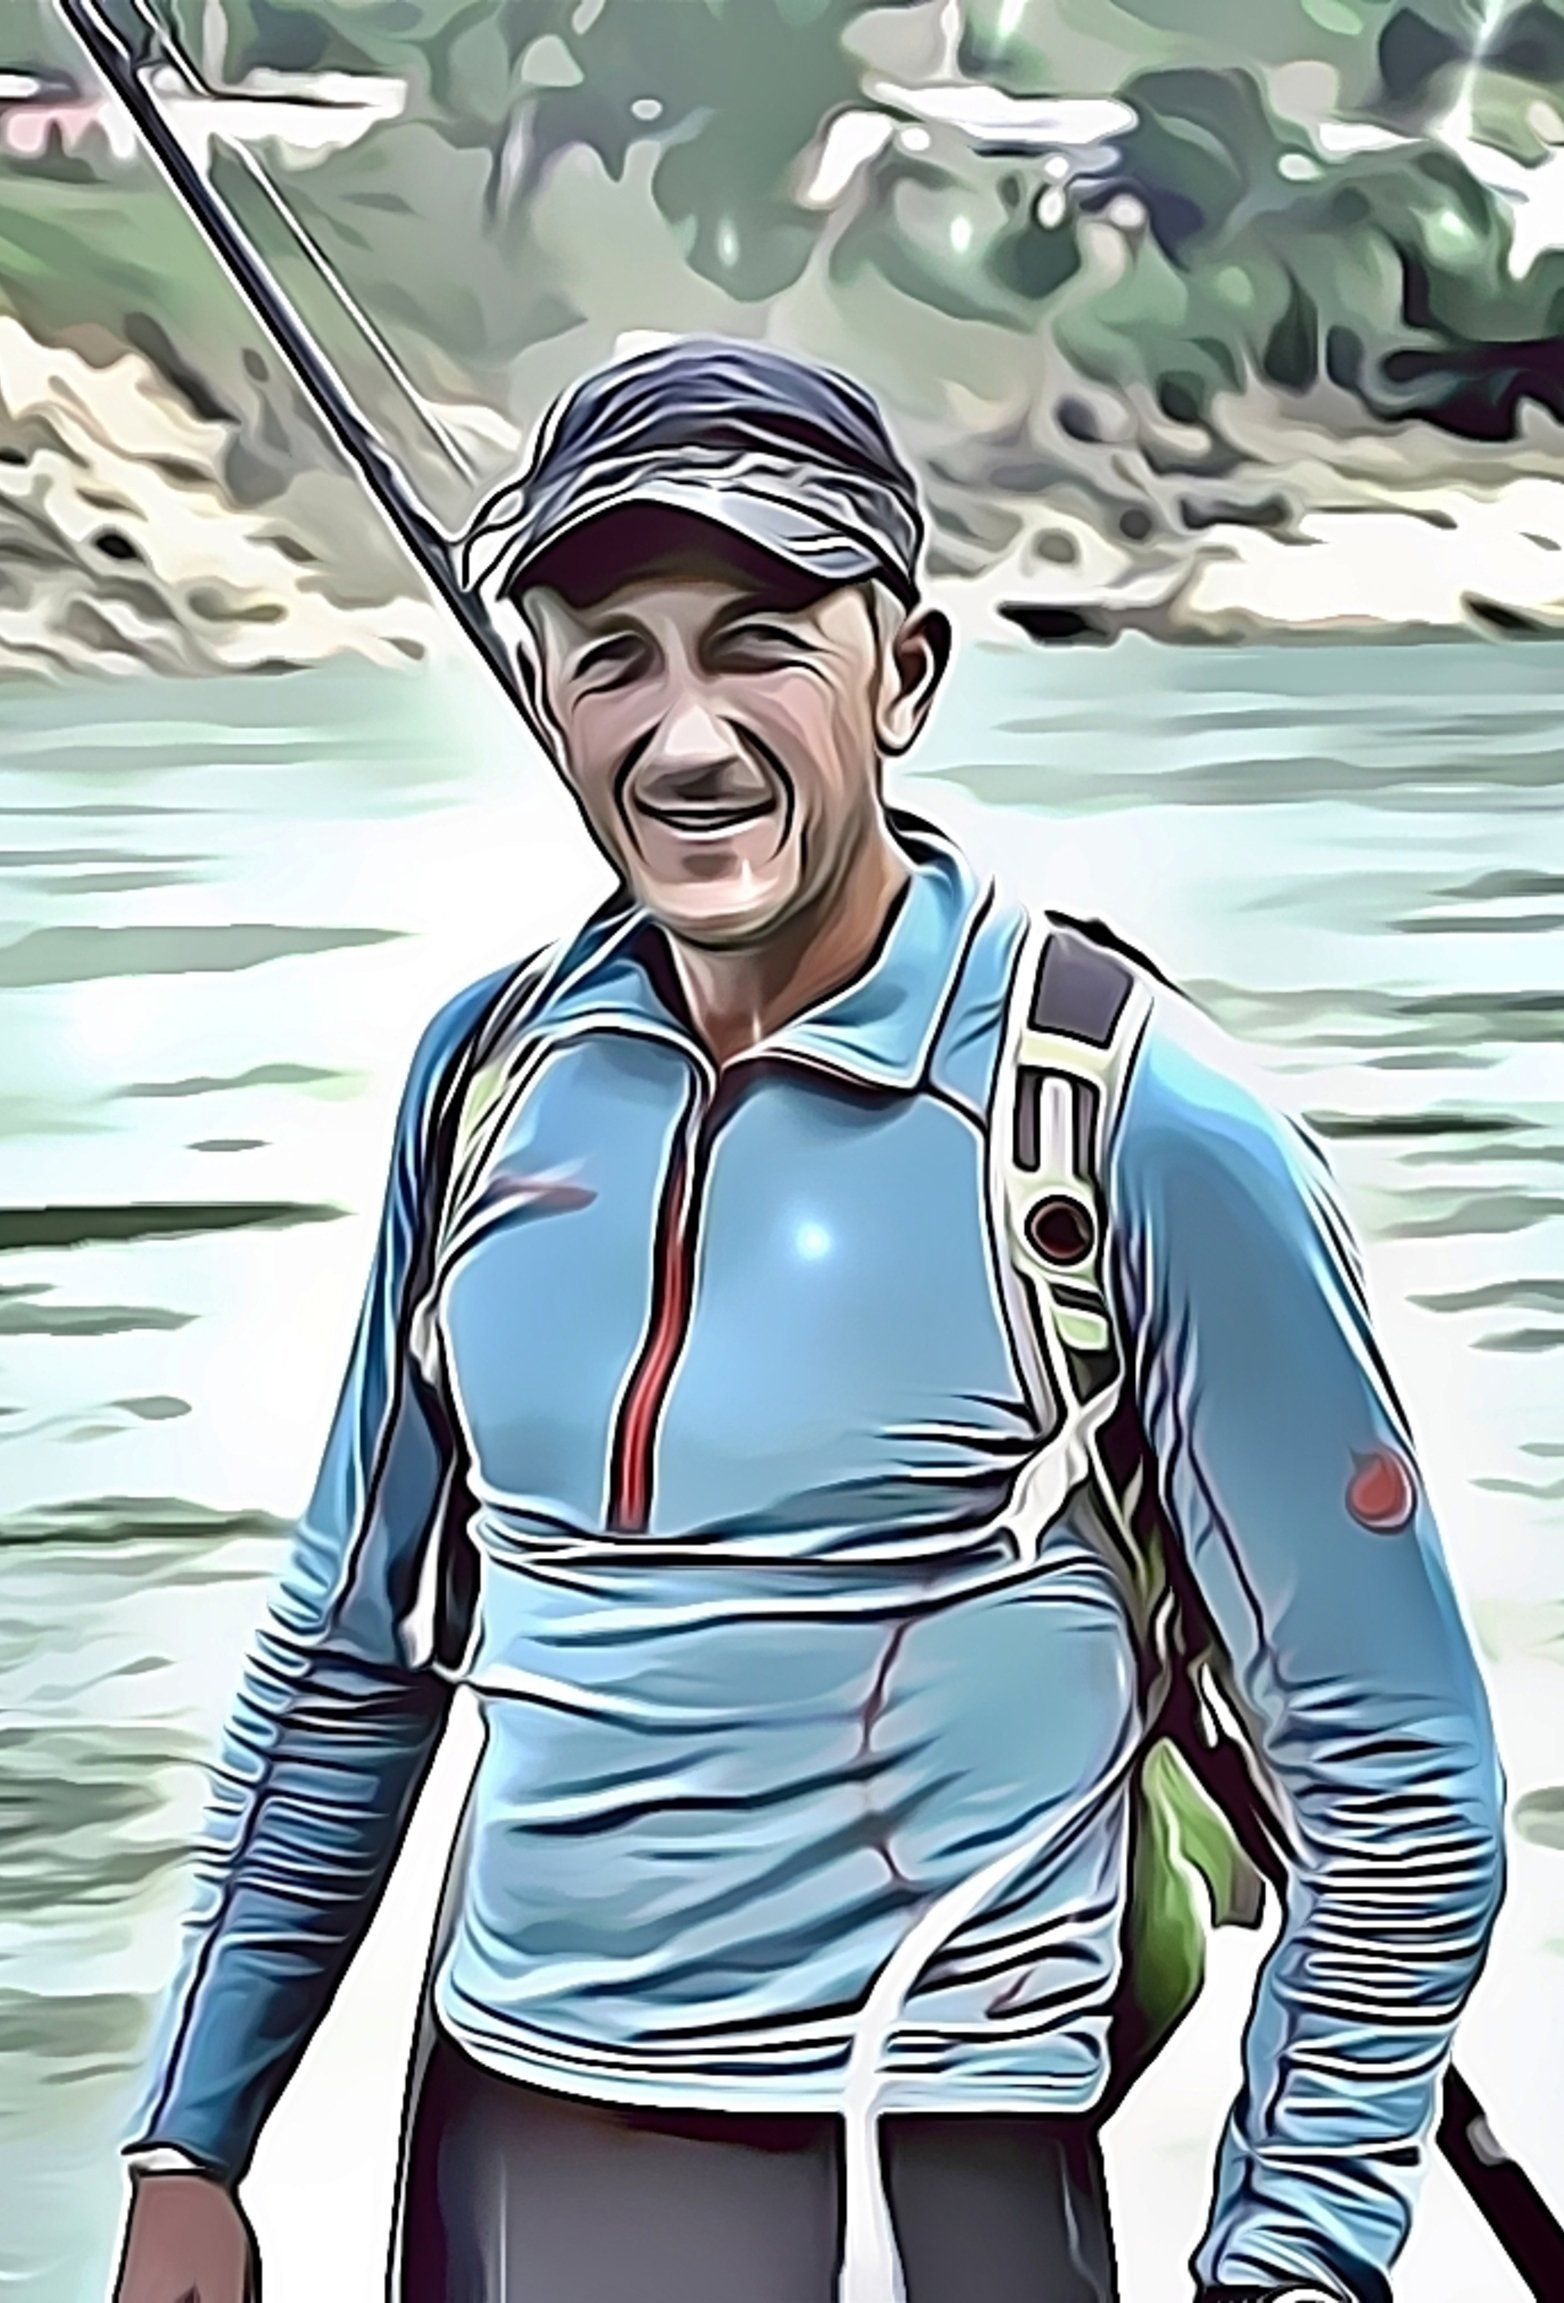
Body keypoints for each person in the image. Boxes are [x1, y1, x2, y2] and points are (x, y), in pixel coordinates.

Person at [112, 335, 1505, 2303]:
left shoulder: (1135, 1128)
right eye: (613, 658)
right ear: (544, 696)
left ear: (903, 675)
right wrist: (194, 2138)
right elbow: (356, 1654)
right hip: (502, 2142)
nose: (684, 738)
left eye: (759, 644)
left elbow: (1396, 1787)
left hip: (922, 2169)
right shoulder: (484, 1077)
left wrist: (1292, 2254)